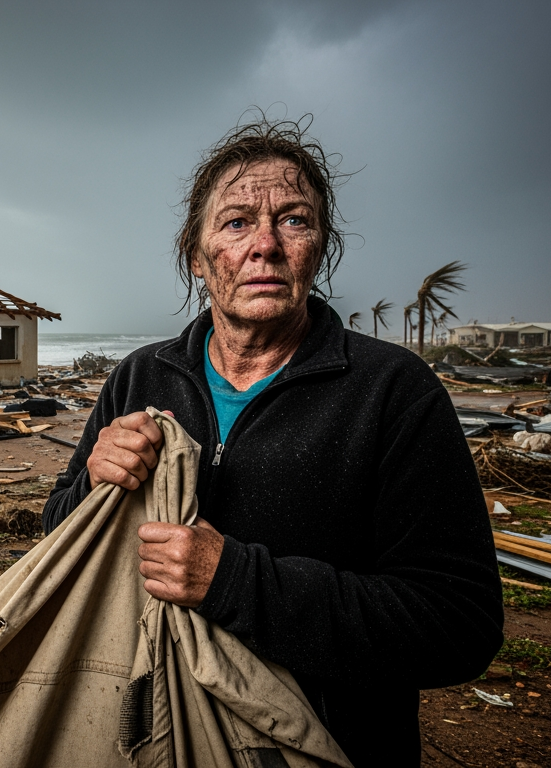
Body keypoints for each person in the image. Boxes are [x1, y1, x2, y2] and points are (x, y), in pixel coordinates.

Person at [42, 117, 503, 766]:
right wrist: (92, 483)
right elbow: (60, 538)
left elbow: (459, 623)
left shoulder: (392, 393)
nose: (265, 245)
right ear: (196, 257)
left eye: (293, 220)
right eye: (235, 223)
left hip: (322, 748)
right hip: (153, 738)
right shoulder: (141, 378)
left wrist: (235, 581)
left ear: (321, 247)